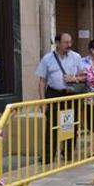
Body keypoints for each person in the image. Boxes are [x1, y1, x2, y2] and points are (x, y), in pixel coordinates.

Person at [35, 33, 85, 164]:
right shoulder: (47, 59)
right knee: (51, 126)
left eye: (70, 42)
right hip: (53, 94)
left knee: (71, 125)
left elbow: (84, 77)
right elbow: (42, 81)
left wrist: (74, 79)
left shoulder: (76, 57)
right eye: (65, 42)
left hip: (71, 94)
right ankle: (48, 155)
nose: (69, 45)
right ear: (57, 43)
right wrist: (42, 101)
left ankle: (68, 153)